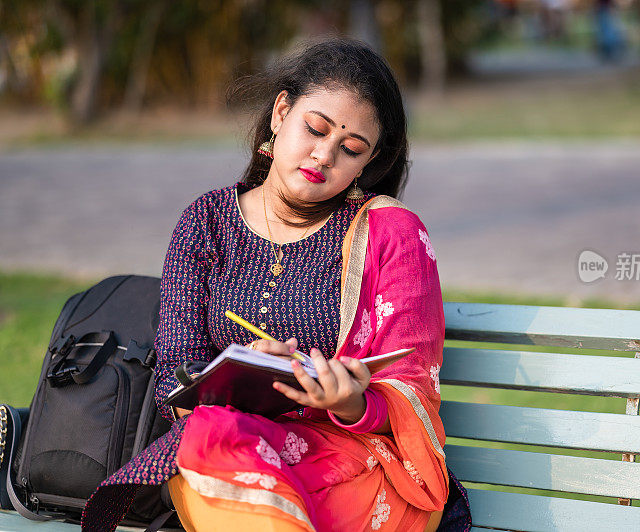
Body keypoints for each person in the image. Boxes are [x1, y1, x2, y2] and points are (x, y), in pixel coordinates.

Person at [80, 38, 470, 531]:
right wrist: (241, 374)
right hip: (232, 455)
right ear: (281, 112)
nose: (324, 155)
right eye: (315, 129)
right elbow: (174, 381)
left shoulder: (394, 235)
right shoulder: (207, 222)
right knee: (207, 438)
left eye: (350, 150)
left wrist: (348, 401)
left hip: (355, 468)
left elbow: (412, 392)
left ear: (367, 163)